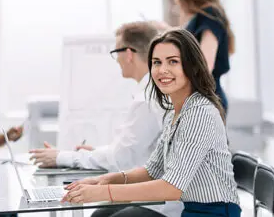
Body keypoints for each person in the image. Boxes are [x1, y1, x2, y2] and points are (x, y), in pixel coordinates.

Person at [62, 29, 241, 217]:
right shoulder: (177, 111)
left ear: (193, 67)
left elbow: (172, 188)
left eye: (173, 61)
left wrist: (105, 192)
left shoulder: (199, 113)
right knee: (101, 215)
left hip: (215, 213)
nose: (162, 70)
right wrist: (107, 180)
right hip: (192, 211)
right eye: (157, 62)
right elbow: (153, 170)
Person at [30, 22, 183, 217]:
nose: (116, 59)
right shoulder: (150, 94)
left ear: (128, 54)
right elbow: (133, 152)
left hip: (162, 204)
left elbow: (121, 158)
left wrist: (63, 157)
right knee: (99, 214)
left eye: (116, 52)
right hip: (154, 195)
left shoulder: (148, 99)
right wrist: (92, 156)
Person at [153, 0, 234, 114]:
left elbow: (204, 65)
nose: (176, 0)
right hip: (203, 98)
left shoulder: (209, 17)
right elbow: (192, 43)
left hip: (207, 101)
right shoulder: (202, 18)